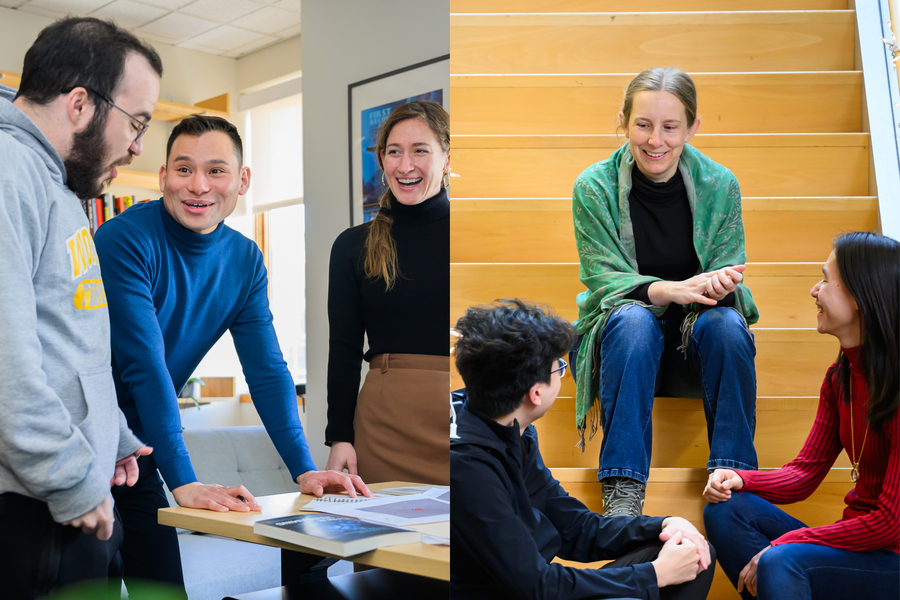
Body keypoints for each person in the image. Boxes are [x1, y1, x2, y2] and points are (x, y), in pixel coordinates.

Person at [93, 115, 371, 592]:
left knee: (160, 588)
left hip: (136, 448)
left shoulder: (244, 260)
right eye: (183, 170)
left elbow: (266, 370)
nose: (198, 186)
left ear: (242, 180)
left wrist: (304, 468)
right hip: (78, 439)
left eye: (216, 170)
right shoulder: (124, 239)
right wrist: (184, 481)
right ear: (163, 177)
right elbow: (146, 365)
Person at [0, 17, 161, 597]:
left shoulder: (54, 184)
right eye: (136, 122)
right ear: (78, 104)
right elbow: (5, 366)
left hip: (67, 498)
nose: (138, 144)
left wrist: (109, 433)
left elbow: (63, 336)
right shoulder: (8, 170)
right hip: (33, 510)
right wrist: (72, 478)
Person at [571, 67, 759, 517]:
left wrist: (717, 284)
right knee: (634, 320)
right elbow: (603, 282)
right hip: (623, 350)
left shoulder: (720, 184)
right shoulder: (592, 187)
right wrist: (668, 290)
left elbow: (729, 269)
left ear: (692, 127)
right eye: (643, 124)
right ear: (623, 121)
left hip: (695, 349)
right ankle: (623, 488)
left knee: (729, 326)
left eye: (670, 127)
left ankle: (735, 479)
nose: (656, 141)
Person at [451, 299, 716, 599]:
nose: (562, 374)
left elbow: (576, 529)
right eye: (559, 368)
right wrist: (654, 575)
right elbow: (537, 585)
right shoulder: (467, 466)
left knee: (694, 553)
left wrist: (664, 524)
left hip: (539, 588)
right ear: (535, 393)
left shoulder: (514, 432)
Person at [703, 231, 899, 599]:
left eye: (826, 280)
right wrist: (739, 479)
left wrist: (786, 544)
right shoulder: (840, 378)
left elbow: (890, 524)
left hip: (893, 559)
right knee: (725, 511)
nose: (814, 291)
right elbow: (804, 474)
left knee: (782, 560)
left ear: (859, 296)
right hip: (855, 550)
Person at [325, 100, 450, 486]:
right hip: (383, 429)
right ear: (382, 160)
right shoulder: (352, 246)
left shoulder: (476, 237)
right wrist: (340, 436)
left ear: (447, 157)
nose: (405, 165)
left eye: (420, 151)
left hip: (464, 418)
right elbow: (344, 349)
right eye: (394, 152)